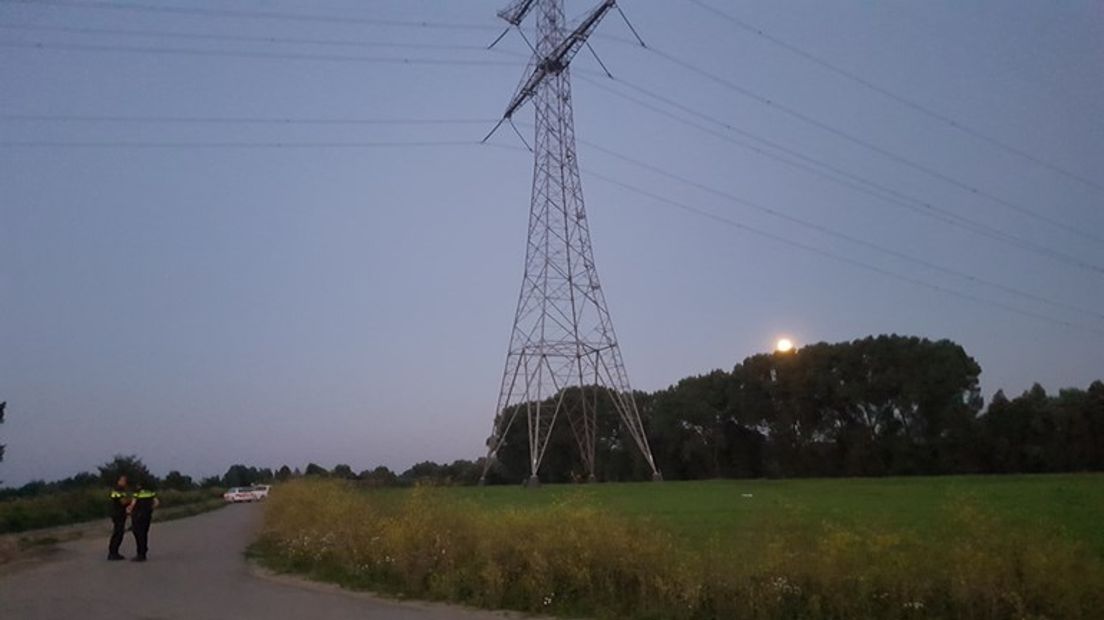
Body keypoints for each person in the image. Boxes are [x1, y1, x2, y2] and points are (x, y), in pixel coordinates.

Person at [126, 482, 159, 562]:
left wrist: (128, 511)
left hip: (138, 516)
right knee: (144, 533)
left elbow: (133, 504)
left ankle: (140, 554)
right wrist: (150, 509)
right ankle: (143, 551)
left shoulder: (137, 493)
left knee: (138, 534)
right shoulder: (150, 493)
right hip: (147, 515)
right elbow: (157, 502)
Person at [107, 475, 130, 561]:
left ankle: (114, 552)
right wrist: (132, 501)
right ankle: (113, 553)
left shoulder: (121, 490)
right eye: (123, 480)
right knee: (118, 533)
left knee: (119, 533)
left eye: (125, 480)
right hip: (117, 514)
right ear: (118, 481)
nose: (125, 482)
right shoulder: (117, 490)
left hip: (120, 513)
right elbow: (123, 502)